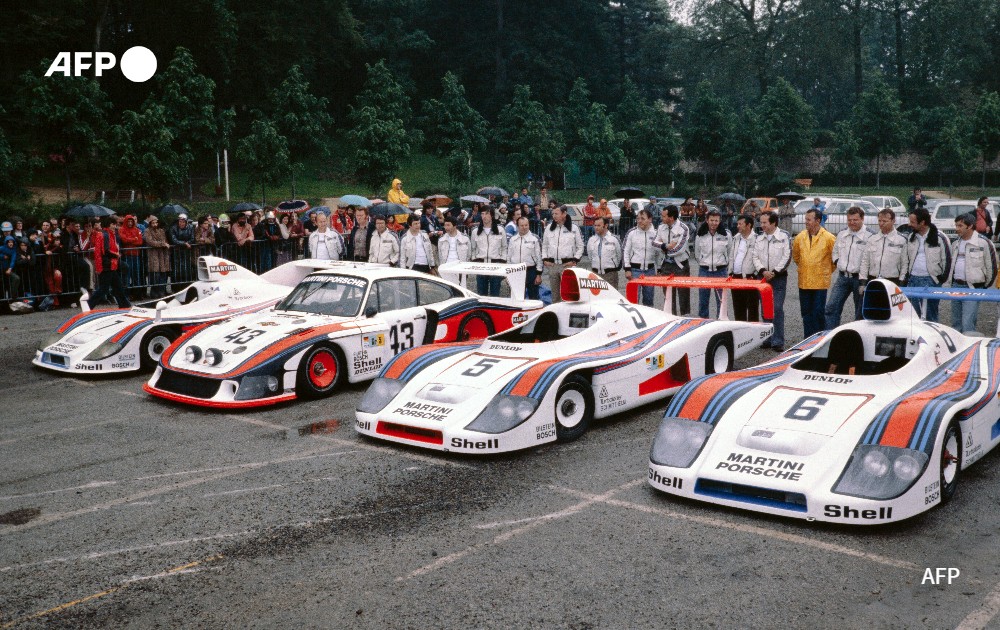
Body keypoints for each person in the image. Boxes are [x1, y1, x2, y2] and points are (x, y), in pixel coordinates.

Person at [824, 206, 872, 329]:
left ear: (862, 219)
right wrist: (838, 263)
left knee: (860, 312)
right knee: (831, 308)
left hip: (860, 280)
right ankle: (831, 337)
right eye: (849, 220)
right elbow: (835, 252)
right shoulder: (842, 233)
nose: (852, 223)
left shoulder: (870, 236)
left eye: (855, 220)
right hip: (843, 278)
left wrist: (864, 280)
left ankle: (859, 340)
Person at [948, 213, 997, 333]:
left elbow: (992, 267)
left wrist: (983, 286)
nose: (957, 228)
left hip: (973, 288)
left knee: (968, 323)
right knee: (956, 323)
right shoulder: (955, 243)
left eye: (960, 226)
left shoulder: (984, 243)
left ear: (970, 226)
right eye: (956, 225)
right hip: (956, 286)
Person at [792, 209, 836, 339]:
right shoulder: (800, 237)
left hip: (820, 282)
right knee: (806, 313)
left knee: (818, 313)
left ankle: (819, 339)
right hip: (804, 281)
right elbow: (796, 256)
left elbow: (835, 259)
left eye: (809, 219)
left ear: (818, 220)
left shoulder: (829, 238)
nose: (806, 222)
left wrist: (824, 270)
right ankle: (807, 340)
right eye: (805, 219)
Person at [754, 211, 792, 350]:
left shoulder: (784, 236)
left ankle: (778, 341)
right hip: (763, 277)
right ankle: (767, 339)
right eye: (761, 222)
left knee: (777, 308)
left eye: (764, 222)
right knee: (765, 308)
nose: (761, 225)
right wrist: (763, 271)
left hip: (779, 278)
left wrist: (775, 272)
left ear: (773, 222)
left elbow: (787, 256)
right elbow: (755, 257)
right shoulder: (759, 238)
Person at [906, 208, 952, 322]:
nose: (909, 224)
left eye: (912, 222)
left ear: (922, 222)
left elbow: (947, 260)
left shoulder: (940, 237)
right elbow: (906, 258)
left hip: (931, 280)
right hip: (912, 280)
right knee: (912, 315)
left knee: (930, 315)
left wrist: (941, 280)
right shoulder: (911, 237)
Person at [542, 205, 584, 302]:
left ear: (564, 214)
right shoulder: (549, 228)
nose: (554, 216)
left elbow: (581, 246)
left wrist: (574, 260)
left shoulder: (574, 228)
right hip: (553, 266)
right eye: (553, 214)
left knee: (567, 295)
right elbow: (544, 246)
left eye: (556, 213)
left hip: (567, 266)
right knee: (555, 296)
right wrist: (545, 260)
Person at [694, 209, 732, 318]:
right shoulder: (700, 235)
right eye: (711, 220)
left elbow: (730, 252)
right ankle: (703, 323)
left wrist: (725, 265)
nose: (714, 223)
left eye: (716, 220)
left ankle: (721, 324)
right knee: (703, 301)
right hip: (704, 271)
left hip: (720, 271)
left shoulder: (726, 234)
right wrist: (703, 262)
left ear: (720, 221)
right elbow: (697, 254)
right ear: (707, 220)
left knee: (721, 301)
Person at [622, 209, 663, 308]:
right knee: (633, 300)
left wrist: (659, 269)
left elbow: (659, 253)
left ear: (650, 219)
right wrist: (627, 269)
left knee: (648, 301)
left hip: (650, 271)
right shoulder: (631, 233)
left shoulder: (656, 234)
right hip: (635, 270)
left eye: (643, 218)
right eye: (638, 218)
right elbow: (625, 251)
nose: (639, 221)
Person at [88, 216, 131, 309]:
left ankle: (125, 305)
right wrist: (116, 255)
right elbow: (106, 251)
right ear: (109, 224)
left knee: (117, 286)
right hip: (107, 264)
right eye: (113, 224)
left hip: (109, 264)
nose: (115, 226)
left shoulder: (106, 234)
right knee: (105, 288)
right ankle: (89, 305)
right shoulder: (106, 235)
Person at [655, 205, 691, 314]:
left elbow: (679, 249)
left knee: (683, 295)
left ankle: (685, 319)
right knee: (668, 296)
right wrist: (665, 246)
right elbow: (654, 243)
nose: (661, 217)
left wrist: (663, 249)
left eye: (664, 216)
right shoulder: (661, 227)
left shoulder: (684, 228)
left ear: (671, 218)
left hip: (681, 266)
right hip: (666, 265)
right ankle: (671, 318)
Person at [860, 209, 909, 285]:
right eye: (879, 221)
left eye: (884, 221)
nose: (881, 223)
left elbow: (905, 263)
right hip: (873, 280)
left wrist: (902, 281)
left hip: (893, 281)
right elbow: (865, 261)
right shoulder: (872, 239)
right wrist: (862, 281)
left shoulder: (902, 240)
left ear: (893, 221)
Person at [728, 215, 759, 322]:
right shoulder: (736, 238)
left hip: (750, 278)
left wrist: (754, 274)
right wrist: (730, 272)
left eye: (740, 224)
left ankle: (753, 335)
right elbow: (731, 256)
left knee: (752, 308)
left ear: (749, 225)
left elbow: (758, 258)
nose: (738, 226)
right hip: (735, 277)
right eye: (737, 224)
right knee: (738, 307)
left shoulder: (757, 239)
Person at [472, 206, 508, 296]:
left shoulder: (500, 230)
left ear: (492, 215)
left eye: (487, 213)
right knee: (481, 295)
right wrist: (474, 260)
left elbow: (504, 247)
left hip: (496, 266)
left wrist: (502, 262)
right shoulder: (475, 232)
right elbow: (473, 248)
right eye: (482, 214)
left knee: (495, 295)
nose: (484, 216)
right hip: (481, 266)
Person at [507, 216, 543, 300]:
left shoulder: (535, 239)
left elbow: (539, 258)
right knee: (516, 299)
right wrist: (508, 274)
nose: (524, 227)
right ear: (517, 226)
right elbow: (508, 257)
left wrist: (539, 275)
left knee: (533, 299)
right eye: (522, 225)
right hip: (516, 271)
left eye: (526, 225)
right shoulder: (512, 240)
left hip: (531, 272)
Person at [586, 216, 622, 289]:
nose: (596, 228)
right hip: (595, 274)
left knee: (611, 298)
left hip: (610, 274)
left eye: (599, 225)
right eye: (595, 225)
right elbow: (590, 257)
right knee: (597, 299)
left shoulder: (614, 239)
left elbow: (619, 256)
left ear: (606, 225)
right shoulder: (591, 240)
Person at [118, 215, 145, 300]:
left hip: (135, 255)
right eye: (128, 221)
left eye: (131, 221)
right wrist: (134, 239)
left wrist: (130, 240)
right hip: (127, 255)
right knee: (126, 276)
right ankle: (126, 295)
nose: (130, 223)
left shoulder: (137, 230)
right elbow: (124, 240)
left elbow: (140, 241)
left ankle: (137, 294)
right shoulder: (122, 229)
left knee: (136, 275)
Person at [168, 214, 196, 283]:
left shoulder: (191, 227)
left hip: (187, 251)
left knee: (187, 268)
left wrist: (187, 243)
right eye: (180, 221)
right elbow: (173, 240)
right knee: (176, 269)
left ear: (186, 222)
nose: (181, 223)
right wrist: (184, 243)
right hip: (176, 251)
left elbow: (192, 238)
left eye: (183, 222)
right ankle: (176, 287)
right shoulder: (173, 228)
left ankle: (186, 285)